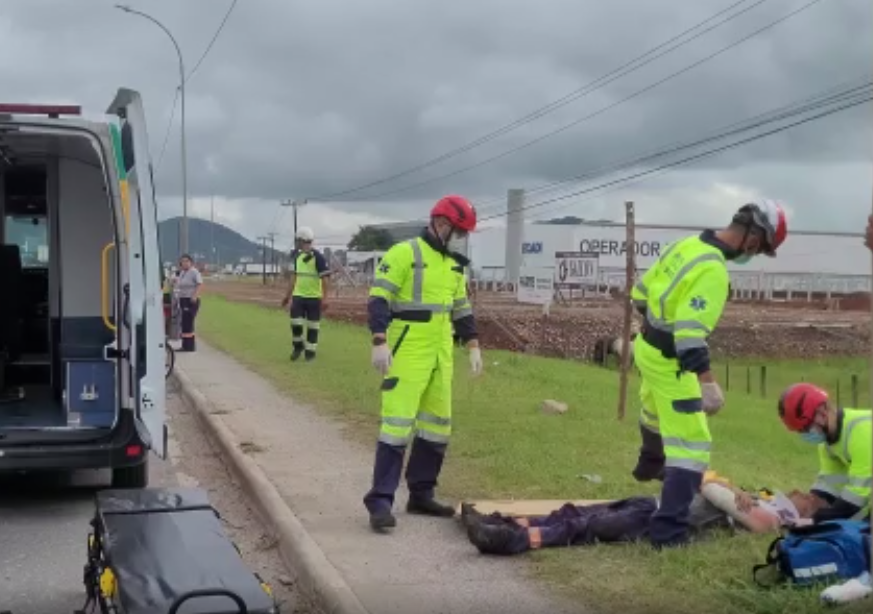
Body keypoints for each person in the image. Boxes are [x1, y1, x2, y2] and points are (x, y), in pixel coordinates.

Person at [629, 200, 788, 549]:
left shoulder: (686, 244)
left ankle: (651, 462)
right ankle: (668, 535)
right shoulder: (714, 270)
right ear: (753, 237)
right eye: (760, 248)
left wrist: (657, 320)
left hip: (645, 347)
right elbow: (689, 334)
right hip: (673, 361)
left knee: (653, 409)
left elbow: (640, 293)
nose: (755, 254)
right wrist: (707, 383)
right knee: (693, 446)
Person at [362, 194, 483, 532]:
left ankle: (421, 493)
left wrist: (472, 345)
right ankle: (380, 502)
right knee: (396, 426)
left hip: (440, 353)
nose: (462, 239)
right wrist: (379, 340)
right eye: (459, 232)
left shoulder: (455, 264)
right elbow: (378, 298)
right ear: (441, 225)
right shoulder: (404, 254)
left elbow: (461, 308)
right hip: (407, 349)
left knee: (436, 426)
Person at [463, 471, 826, 556]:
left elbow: (712, 488)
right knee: (574, 510)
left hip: (660, 521)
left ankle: (508, 540)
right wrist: (727, 489)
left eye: (806, 496)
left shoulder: (774, 518)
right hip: (652, 503)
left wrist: (725, 491)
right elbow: (705, 477)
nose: (798, 492)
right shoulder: (757, 497)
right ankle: (497, 520)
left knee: (586, 525)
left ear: (804, 510)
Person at [777, 383, 871, 522]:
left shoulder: (863, 432)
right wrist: (809, 503)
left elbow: (856, 498)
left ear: (822, 411)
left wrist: (815, 519)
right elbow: (830, 486)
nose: (804, 434)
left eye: (805, 428)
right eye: (799, 431)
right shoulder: (827, 445)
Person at [281, 227, 332, 362]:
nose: (296, 243)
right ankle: (298, 346)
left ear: (302, 240)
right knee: (295, 323)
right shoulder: (296, 256)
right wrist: (287, 296)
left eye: (298, 240)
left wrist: (325, 298)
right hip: (299, 296)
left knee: (313, 326)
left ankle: (310, 353)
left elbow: (325, 280)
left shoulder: (318, 258)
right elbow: (293, 278)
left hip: (314, 298)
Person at [172, 254, 203, 352]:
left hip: (190, 299)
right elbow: (179, 284)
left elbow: (200, 284)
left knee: (188, 322)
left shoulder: (194, 272)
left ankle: (189, 346)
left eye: (186, 261)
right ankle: (185, 345)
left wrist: (194, 296)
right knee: (185, 323)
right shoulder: (182, 273)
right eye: (182, 261)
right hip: (183, 299)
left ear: (191, 262)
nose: (184, 263)